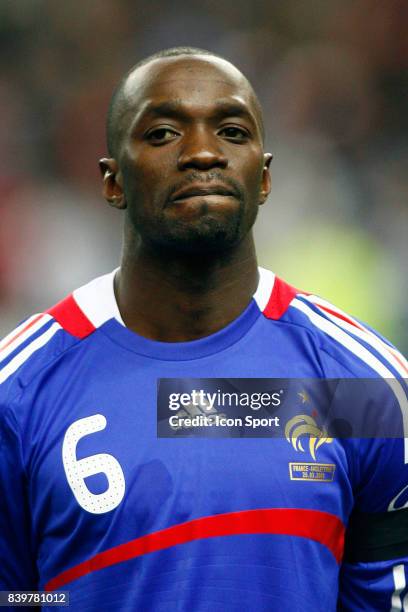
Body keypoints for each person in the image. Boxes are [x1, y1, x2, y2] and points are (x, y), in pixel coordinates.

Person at [0, 46, 407, 611]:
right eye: (164, 133)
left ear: (264, 177)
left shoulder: (364, 388)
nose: (203, 153)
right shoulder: (17, 394)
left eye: (233, 131)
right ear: (112, 181)